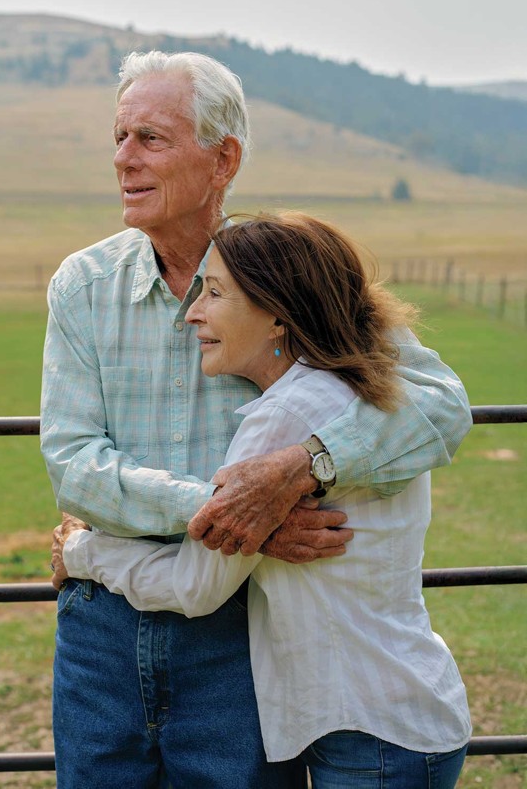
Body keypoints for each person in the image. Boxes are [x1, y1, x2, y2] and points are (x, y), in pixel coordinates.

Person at [40, 50, 472, 788]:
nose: (122, 159)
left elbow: (439, 402)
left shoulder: (289, 272)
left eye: (149, 138)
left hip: (236, 624)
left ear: (223, 157)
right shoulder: (82, 284)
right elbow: (74, 461)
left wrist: (301, 465)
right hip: (102, 624)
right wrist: (234, 511)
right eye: (117, 137)